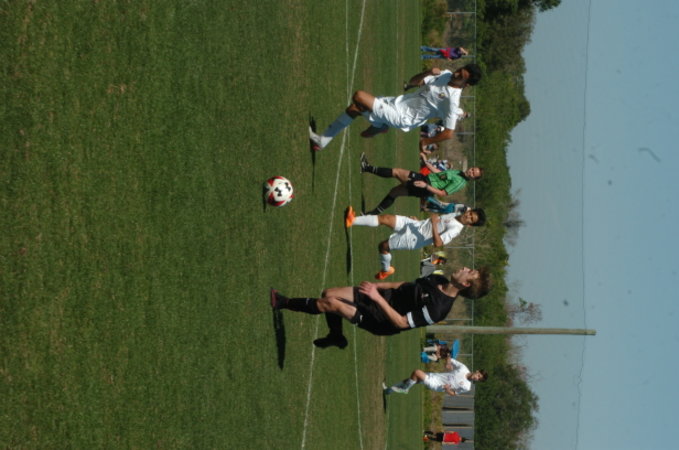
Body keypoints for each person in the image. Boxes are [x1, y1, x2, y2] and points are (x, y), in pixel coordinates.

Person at [270, 267, 492, 349]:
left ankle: (282, 302)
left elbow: (401, 323)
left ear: (466, 284)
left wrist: (377, 298)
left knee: (331, 304)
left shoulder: (438, 309)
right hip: (381, 297)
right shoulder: (438, 278)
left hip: (380, 319)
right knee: (329, 293)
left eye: (469, 272)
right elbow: (404, 285)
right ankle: (336, 336)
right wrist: (378, 287)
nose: (464, 268)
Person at [309, 64, 482, 152]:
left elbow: (448, 133)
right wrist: (428, 72)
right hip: (396, 102)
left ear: (466, 84)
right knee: (354, 108)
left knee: (359, 96)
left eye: (460, 76)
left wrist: (426, 142)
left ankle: (381, 125)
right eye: (459, 70)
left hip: (403, 118)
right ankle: (323, 140)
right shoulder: (445, 74)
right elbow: (413, 82)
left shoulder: (452, 100)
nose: (456, 74)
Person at [344, 205, 485, 280]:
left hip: (415, 239)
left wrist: (433, 224)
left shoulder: (456, 229)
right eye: (470, 213)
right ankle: (352, 220)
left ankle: (386, 270)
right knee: (385, 218)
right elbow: (434, 224)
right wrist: (421, 222)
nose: (468, 216)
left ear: (470, 225)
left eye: (471, 219)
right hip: (415, 225)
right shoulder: (456, 214)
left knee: (383, 246)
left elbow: (438, 243)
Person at [359, 153, 483, 215]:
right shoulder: (459, 173)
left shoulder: (460, 182)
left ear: (473, 178)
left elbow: (442, 193)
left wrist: (426, 186)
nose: (471, 171)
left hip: (425, 185)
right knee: (394, 192)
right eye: (473, 169)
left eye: (473, 174)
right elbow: (439, 173)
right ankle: (371, 214)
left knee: (397, 172)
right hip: (425, 180)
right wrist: (426, 162)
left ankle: (366, 168)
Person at [383, 356, 488, 396]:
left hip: (437, 385)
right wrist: (448, 363)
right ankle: (389, 390)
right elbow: (449, 358)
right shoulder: (463, 368)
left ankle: (405, 390)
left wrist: (447, 390)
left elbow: (454, 393)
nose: (477, 378)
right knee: (410, 380)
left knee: (416, 372)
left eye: (479, 379)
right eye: (478, 375)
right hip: (434, 376)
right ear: (477, 371)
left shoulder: (467, 386)